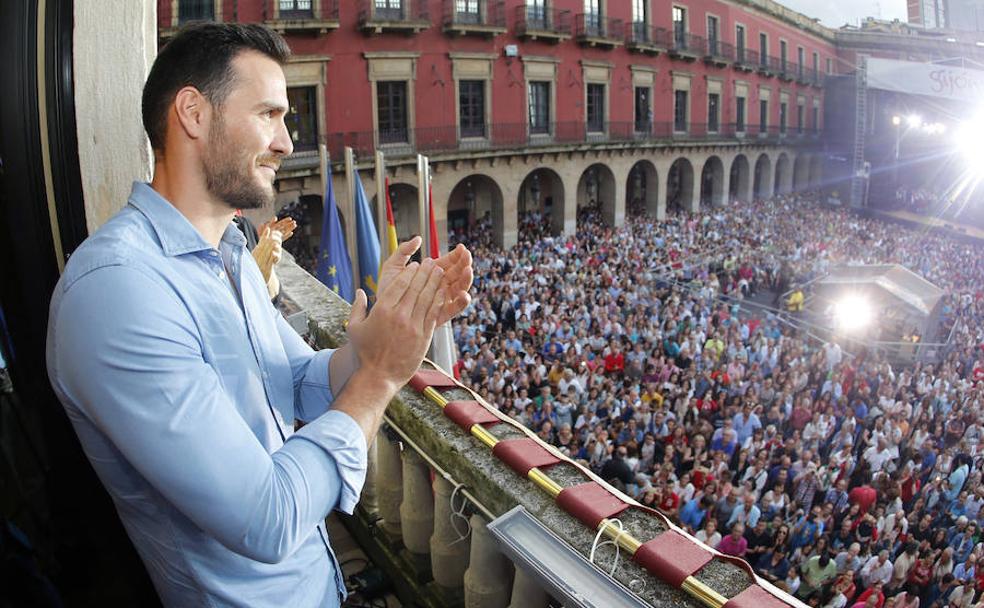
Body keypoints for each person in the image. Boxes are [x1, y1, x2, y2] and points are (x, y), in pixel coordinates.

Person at [45, 23, 473, 608]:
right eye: (269, 114)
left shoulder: (231, 254)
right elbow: (267, 518)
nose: (286, 143)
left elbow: (295, 384)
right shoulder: (117, 293)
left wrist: (373, 343)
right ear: (193, 113)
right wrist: (380, 377)